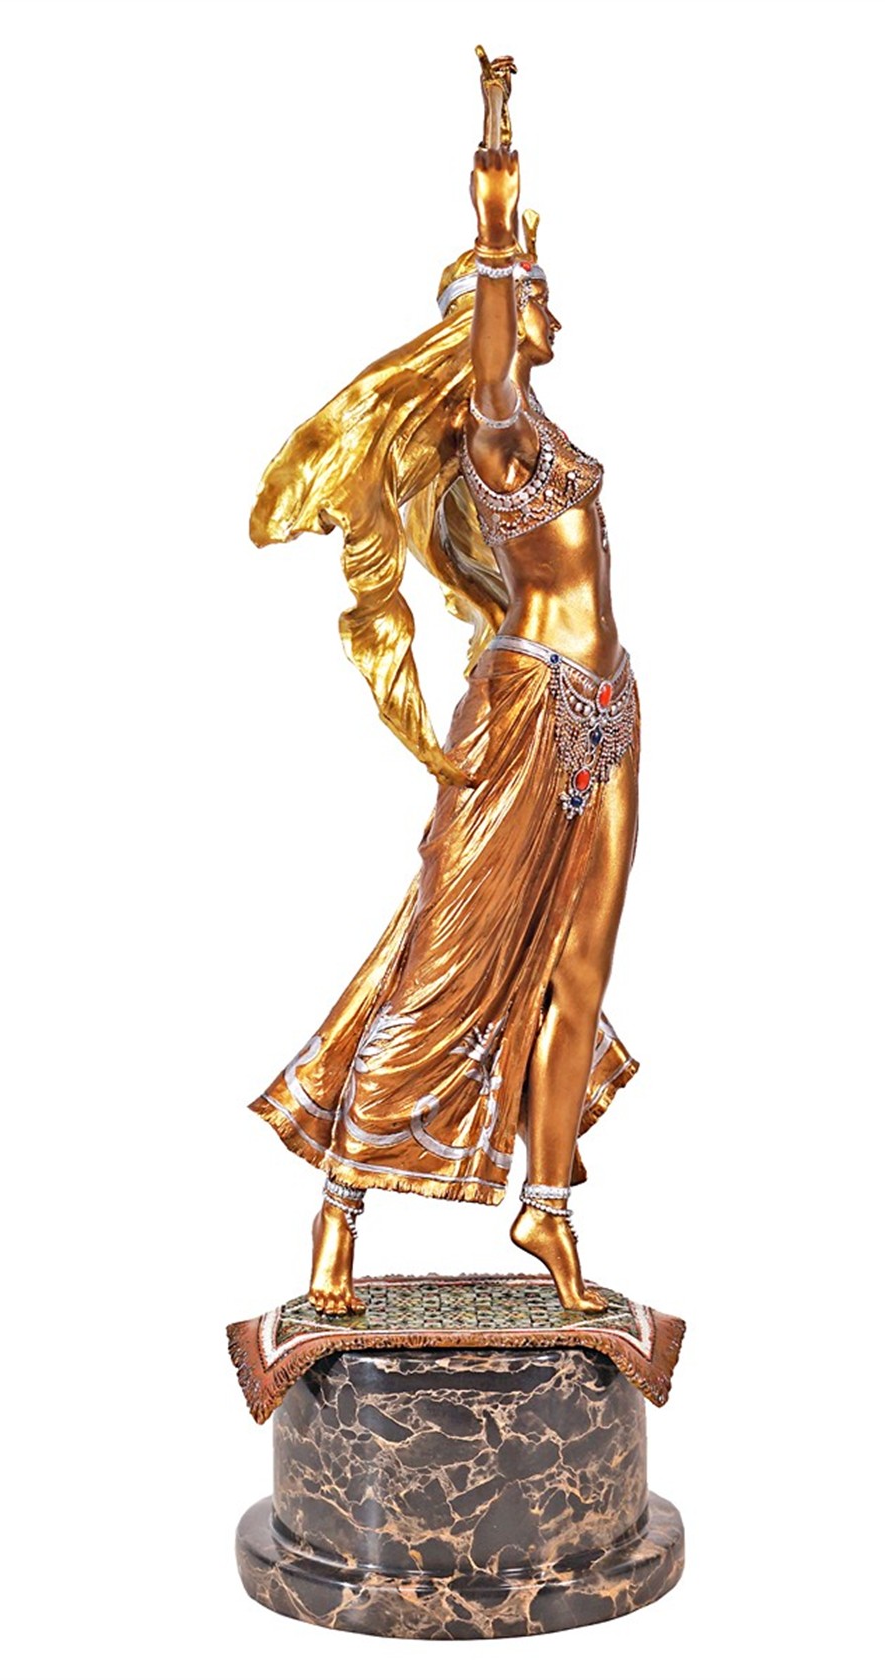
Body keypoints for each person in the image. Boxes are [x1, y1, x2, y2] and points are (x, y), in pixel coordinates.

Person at [248, 59, 638, 1315]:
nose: (552, 316)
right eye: (532, 302)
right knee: (446, 960)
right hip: (525, 718)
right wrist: (495, 181)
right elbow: (496, 341)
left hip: (610, 704)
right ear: (491, 321)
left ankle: (550, 1210)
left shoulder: (544, 433)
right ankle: (338, 1213)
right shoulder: (496, 429)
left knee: (578, 967)